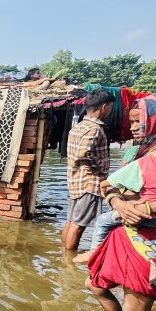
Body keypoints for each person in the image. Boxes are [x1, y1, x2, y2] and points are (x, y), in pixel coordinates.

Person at [74, 94, 156, 263]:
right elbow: (114, 186)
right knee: (96, 285)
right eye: (131, 123)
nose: (133, 128)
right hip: (129, 220)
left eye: (139, 121)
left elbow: (111, 184)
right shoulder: (134, 152)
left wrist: (145, 208)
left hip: (149, 228)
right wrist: (119, 204)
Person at [61, 89, 113, 251]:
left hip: (76, 181)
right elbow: (84, 152)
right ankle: (68, 263)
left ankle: (63, 254)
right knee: (78, 225)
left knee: (71, 221)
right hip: (89, 184)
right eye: (111, 106)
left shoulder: (79, 126)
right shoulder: (94, 128)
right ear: (104, 107)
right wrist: (99, 169)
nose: (111, 110)